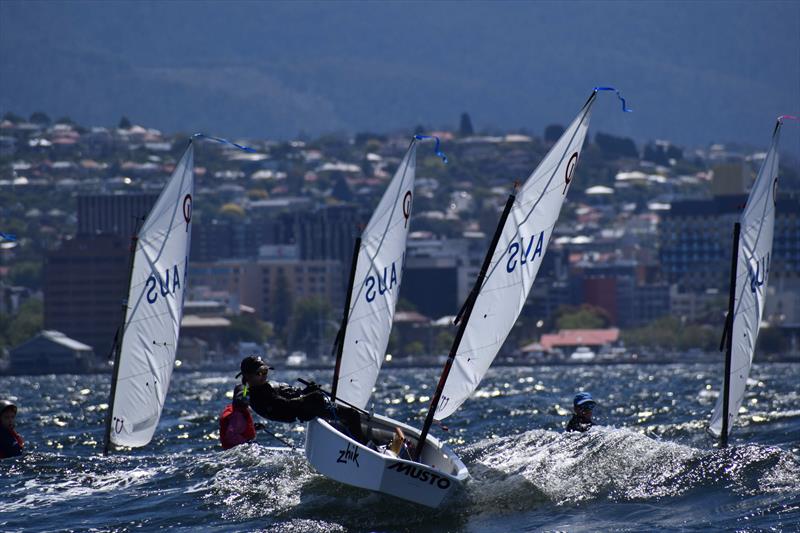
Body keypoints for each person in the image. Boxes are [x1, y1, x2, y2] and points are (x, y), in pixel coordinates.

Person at [232, 355, 366, 443]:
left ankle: (355, 440)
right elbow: (284, 405)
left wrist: (306, 392)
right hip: (304, 410)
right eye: (259, 373)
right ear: (248, 376)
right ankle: (363, 447)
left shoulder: (262, 386)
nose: (264, 376)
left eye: (265, 372)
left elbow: (292, 397)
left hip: (303, 405)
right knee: (352, 415)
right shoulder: (254, 393)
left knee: (351, 415)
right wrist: (309, 397)